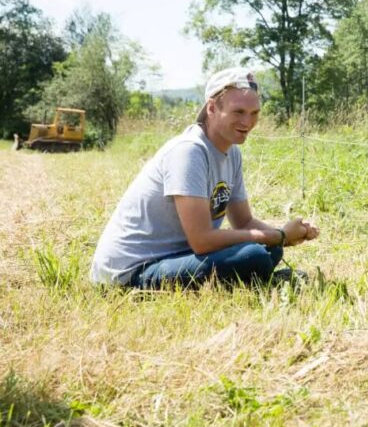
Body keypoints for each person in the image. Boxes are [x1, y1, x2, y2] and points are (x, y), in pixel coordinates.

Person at [91, 68, 319, 288]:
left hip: (178, 255)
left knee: (270, 249)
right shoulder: (189, 151)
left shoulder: (232, 153)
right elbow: (202, 241)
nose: (247, 122)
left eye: (254, 113)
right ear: (211, 108)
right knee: (255, 255)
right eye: (238, 112)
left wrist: (283, 236)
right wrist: (279, 235)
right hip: (133, 270)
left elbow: (244, 223)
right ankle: (265, 280)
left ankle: (258, 278)